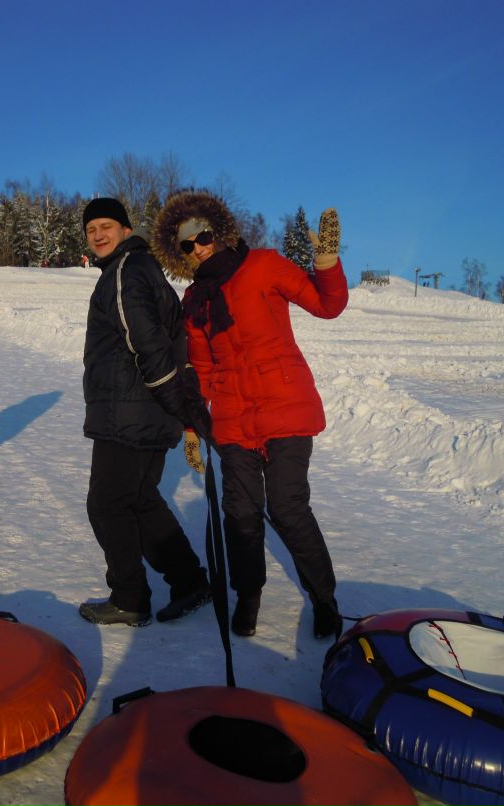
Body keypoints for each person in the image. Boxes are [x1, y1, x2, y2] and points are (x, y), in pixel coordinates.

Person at [152, 191, 348, 641]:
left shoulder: (263, 265)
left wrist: (326, 262)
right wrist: (191, 428)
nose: (198, 248)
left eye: (202, 236)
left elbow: (328, 305)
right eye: (187, 245)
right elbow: (201, 368)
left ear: (218, 232)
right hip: (231, 419)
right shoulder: (195, 301)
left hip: (285, 405)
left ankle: (324, 599)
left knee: (288, 508)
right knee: (240, 513)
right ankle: (248, 594)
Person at [78, 197, 212, 627]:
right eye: (91, 229)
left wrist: (171, 399)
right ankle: (189, 581)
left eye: (106, 226)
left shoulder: (125, 270)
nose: (98, 235)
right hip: (145, 410)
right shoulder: (139, 268)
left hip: (130, 412)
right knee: (139, 499)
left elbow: (147, 342)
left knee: (107, 504)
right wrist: (173, 407)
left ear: (124, 229)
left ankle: (129, 598)